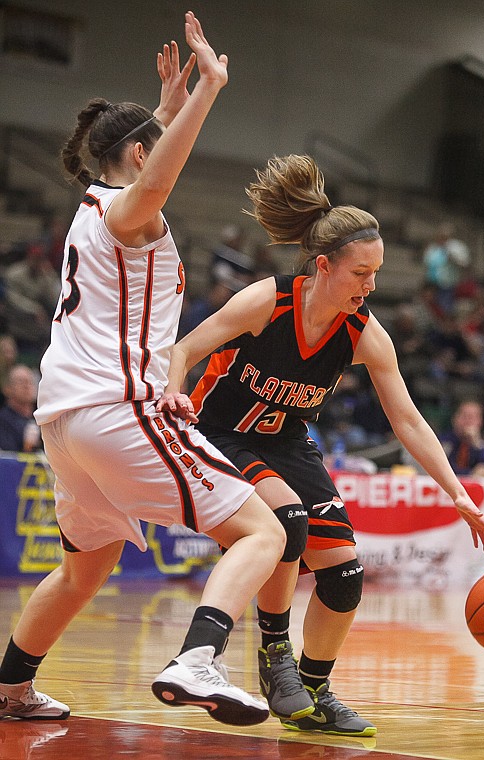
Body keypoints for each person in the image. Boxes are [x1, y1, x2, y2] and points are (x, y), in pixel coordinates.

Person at [0, 12, 285, 726]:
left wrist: (161, 109)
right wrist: (205, 93)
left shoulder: (91, 208)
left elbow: (134, 160)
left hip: (65, 424)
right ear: (138, 160)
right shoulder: (133, 215)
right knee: (264, 531)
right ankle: (197, 660)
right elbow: (151, 183)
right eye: (153, 151)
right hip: (113, 410)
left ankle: (9, 689)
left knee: (79, 571)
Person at [157, 154, 484, 737]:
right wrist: (171, 389)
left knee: (344, 577)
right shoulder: (268, 301)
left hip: (287, 441)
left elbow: (410, 422)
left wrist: (458, 493)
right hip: (219, 431)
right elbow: (183, 349)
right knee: (287, 520)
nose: (371, 286)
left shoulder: (364, 333)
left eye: (377, 273)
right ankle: (275, 657)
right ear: (322, 266)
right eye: (360, 273)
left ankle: (316, 692)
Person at [439, 399, 484, 477]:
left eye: (473, 417)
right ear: (454, 419)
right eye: (465, 416)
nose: (468, 421)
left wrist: (477, 442)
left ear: (480, 422)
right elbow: (442, 469)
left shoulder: (483, 445)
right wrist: (470, 474)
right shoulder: (443, 441)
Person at [0, 364, 42, 452]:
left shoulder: (42, 416)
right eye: (21, 382)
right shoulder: (3, 421)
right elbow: (7, 461)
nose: (27, 386)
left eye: (30, 381)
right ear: (7, 389)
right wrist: (27, 447)